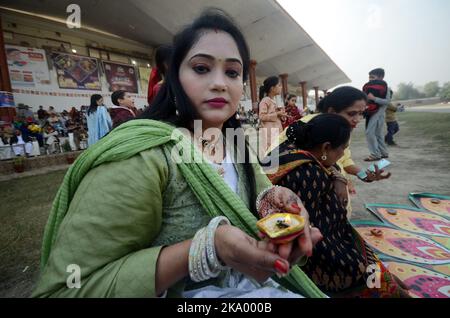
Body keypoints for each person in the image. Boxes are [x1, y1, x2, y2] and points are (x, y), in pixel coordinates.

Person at [33, 10, 325, 298]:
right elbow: (66, 290)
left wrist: (275, 205)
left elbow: (262, 193)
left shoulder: (234, 142)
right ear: (173, 79)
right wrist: (204, 250)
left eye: (233, 72)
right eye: (201, 68)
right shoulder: (141, 157)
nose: (220, 83)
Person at [264, 114, 410, 298]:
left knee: (379, 273)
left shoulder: (292, 146)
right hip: (313, 257)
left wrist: (337, 175)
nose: (357, 118)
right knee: (376, 281)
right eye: (344, 149)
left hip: (299, 239)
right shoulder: (309, 174)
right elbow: (322, 235)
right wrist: (363, 268)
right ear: (326, 146)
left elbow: (332, 162)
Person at [271, 87, 391, 217]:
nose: (357, 119)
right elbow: (276, 160)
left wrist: (364, 175)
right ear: (332, 111)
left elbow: (344, 160)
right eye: (352, 113)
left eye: (361, 113)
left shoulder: (342, 129)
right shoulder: (306, 127)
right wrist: (335, 175)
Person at [362, 68, 390, 162]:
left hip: (378, 113)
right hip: (372, 112)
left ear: (381, 77)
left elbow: (386, 102)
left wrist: (374, 98)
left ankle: (375, 154)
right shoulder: (370, 87)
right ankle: (384, 153)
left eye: (372, 77)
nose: (370, 79)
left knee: (369, 133)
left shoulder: (386, 88)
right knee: (378, 134)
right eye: (369, 77)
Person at [258, 76, 286, 155]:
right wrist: (277, 114)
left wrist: (282, 115)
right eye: (279, 85)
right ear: (272, 88)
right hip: (269, 133)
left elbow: (277, 116)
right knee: (271, 153)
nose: (281, 87)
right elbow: (262, 116)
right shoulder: (265, 100)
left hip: (276, 130)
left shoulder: (275, 100)